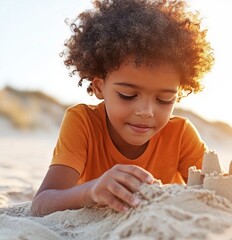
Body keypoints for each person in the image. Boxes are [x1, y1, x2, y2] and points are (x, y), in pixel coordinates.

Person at [30, 0, 214, 216]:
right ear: (99, 86)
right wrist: (91, 191)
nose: (146, 111)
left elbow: (220, 191)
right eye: (128, 95)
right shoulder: (83, 122)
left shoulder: (180, 134)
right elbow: (40, 205)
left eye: (164, 99)